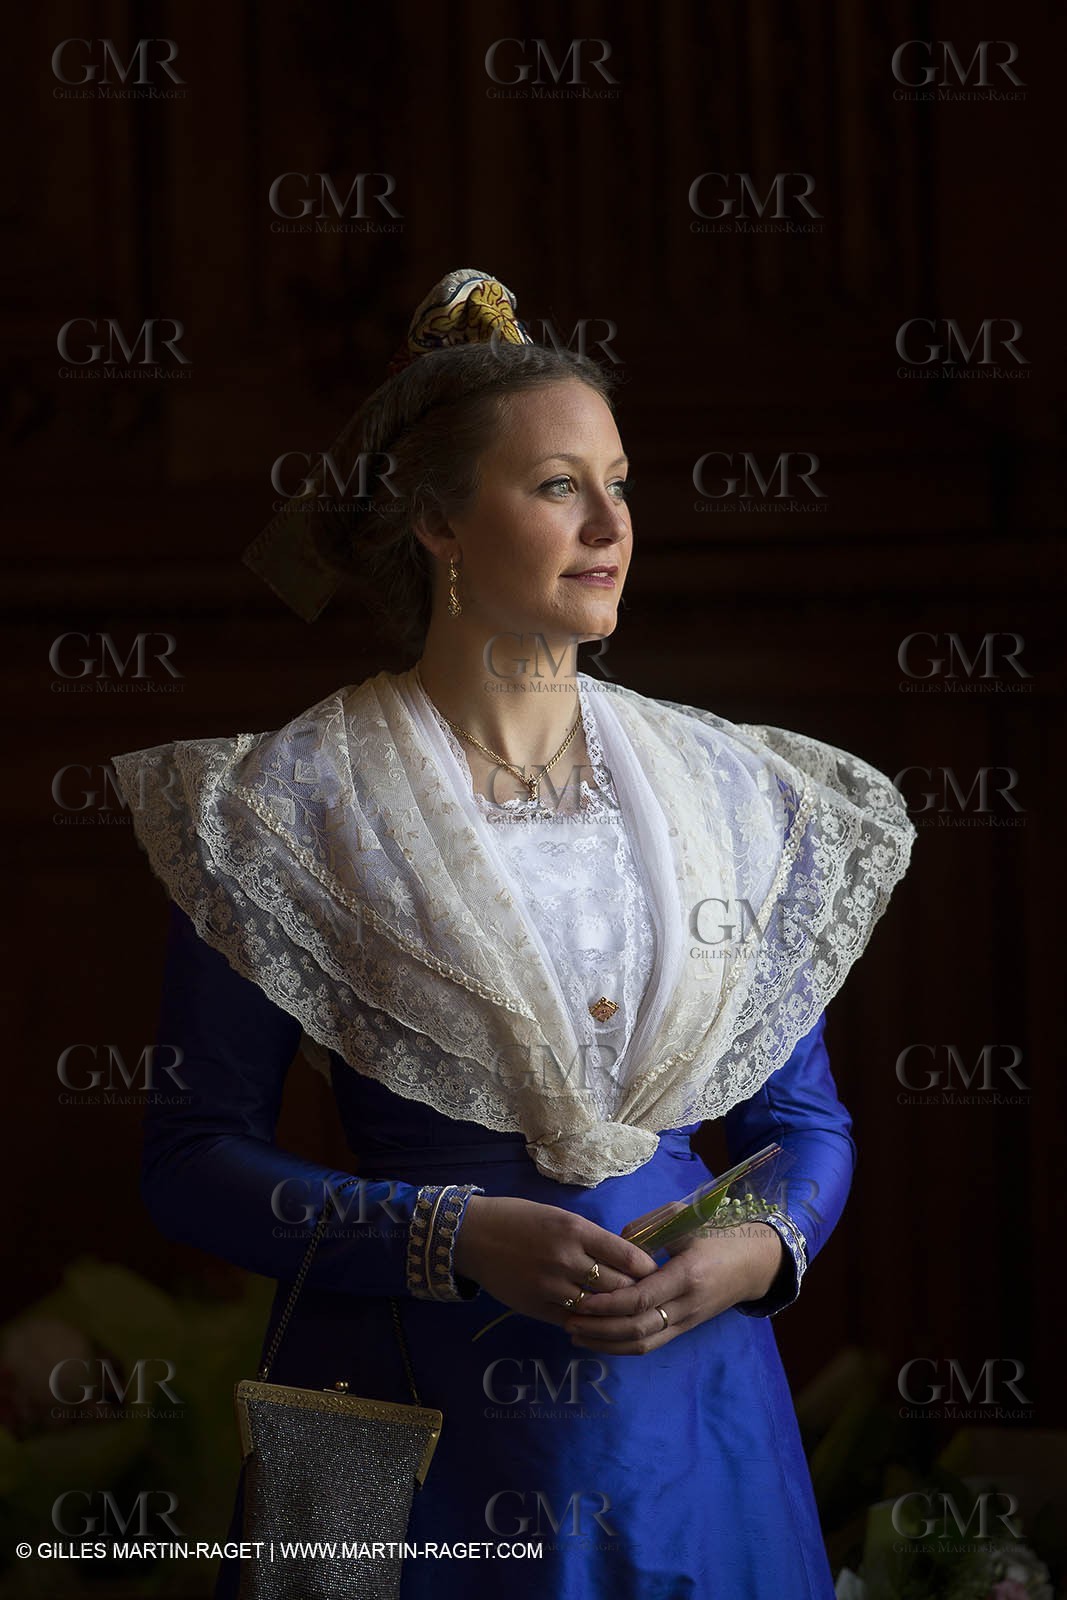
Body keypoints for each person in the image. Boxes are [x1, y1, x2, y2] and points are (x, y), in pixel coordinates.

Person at [112, 268, 915, 1599]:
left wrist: (754, 1251)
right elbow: (191, 1160)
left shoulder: (735, 795)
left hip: (693, 1404)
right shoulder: (282, 809)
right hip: (385, 1406)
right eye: (557, 488)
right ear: (437, 521)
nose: (610, 523)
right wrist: (453, 1234)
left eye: (620, 484)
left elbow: (806, 1129)